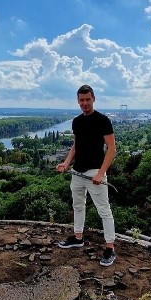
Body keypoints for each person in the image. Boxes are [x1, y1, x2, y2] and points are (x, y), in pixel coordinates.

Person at [56, 84, 116, 266]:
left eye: (87, 99)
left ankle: (110, 248)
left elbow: (112, 149)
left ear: (93, 99)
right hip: (77, 172)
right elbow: (76, 146)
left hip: (94, 173)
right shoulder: (77, 121)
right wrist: (66, 163)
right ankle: (78, 237)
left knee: (104, 211)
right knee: (78, 206)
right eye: (81, 100)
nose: (85, 103)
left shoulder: (103, 120)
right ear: (78, 101)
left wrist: (101, 173)